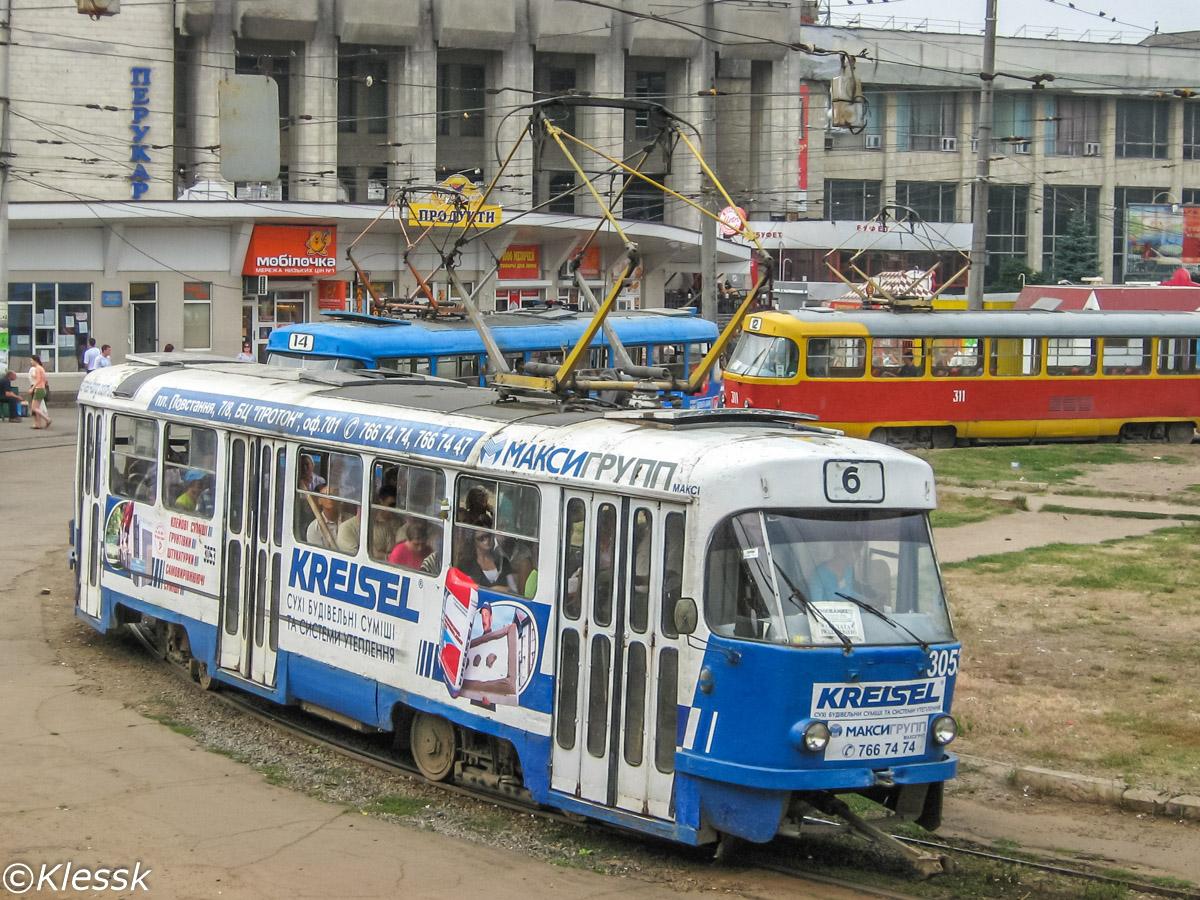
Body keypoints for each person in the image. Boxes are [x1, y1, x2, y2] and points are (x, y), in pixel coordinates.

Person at [27, 355, 51, 430]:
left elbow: (38, 380)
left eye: (31, 360)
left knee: (34, 408)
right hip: (43, 388)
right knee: (37, 407)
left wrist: (32, 388)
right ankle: (38, 424)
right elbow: (44, 379)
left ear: (35, 360)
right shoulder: (42, 368)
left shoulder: (37, 369)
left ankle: (47, 419)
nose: (31, 362)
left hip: (39, 389)